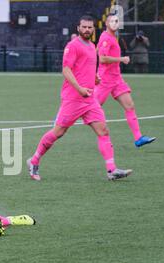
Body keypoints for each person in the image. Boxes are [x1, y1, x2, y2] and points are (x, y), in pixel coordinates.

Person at [27, 16, 132, 182]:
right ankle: (34, 161)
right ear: (78, 28)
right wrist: (80, 89)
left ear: (93, 29)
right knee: (59, 132)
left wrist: (95, 78)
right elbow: (66, 70)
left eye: (90, 27)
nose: (87, 30)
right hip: (73, 98)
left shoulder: (92, 46)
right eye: (84, 27)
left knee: (103, 130)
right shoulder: (72, 46)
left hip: (90, 99)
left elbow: (86, 68)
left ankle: (112, 170)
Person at [96, 14, 156, 148]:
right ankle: (62, 119)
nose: (115, 23)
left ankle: (138, 138)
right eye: (112, 21)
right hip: (105, 80)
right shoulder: (105, 37)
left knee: (130, 106)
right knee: (88, 107)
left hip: (116, 79)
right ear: (106, 23)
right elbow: (103, 59)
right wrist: (121, 59)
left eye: (117, 21)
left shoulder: (112, 37)